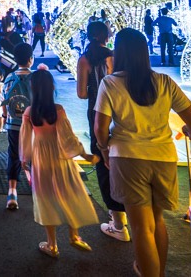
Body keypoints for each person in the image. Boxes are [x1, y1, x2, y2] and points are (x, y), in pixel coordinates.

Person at [94, 28, 191, 277]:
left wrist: (104, 147)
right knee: (157, 222)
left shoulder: (110, 83)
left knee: (141, 227)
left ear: (118, 53)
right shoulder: (164, 82)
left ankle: (149, 272)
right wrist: (187, 128)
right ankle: (156, 271)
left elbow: (100, 128)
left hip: (128, 158)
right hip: (163, 158)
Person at [21, 69, 99, 258]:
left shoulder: (30, 112)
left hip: (41, 159)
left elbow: (25, 139)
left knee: (46, 199)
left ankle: (52, 244)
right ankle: (74, 235)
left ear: (32, 88)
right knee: (70, 193)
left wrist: (25, 160)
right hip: (61, 158)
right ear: (52, 88)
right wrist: (84, 154)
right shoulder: (58, 110)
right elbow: (68, 137)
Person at [77, 20, 128, 242]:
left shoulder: (84, 59)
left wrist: (95, 89)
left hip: (96, 111)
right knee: (119, 154)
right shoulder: (114, 57)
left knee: (102, 157)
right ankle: (126, 213)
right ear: (106, 37)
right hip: (118, 110)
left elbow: (81, 93)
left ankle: (116, 218)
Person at [2, 43, 34, 210]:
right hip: (33, 125)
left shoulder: (9, 78)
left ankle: (12, 192)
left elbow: (4, 100)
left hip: (14, 125)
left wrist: (5, 116)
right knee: (35, 155)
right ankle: (38, 189)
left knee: (13, 156)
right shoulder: (36, 77)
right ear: (31, 59)